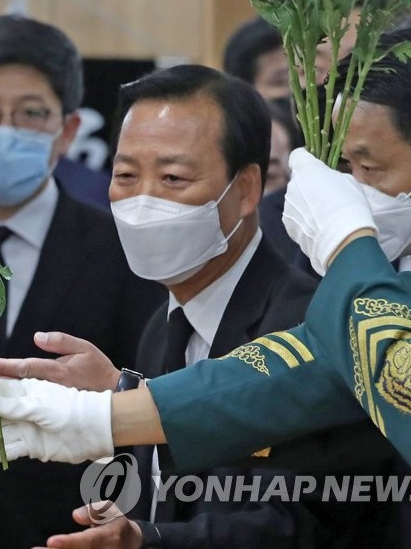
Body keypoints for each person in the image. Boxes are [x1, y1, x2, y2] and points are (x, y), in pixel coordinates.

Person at [0, 22, 411, 546]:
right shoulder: (168, 321)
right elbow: (281, 374)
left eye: (369, 168)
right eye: (346, 169)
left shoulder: (325, 293)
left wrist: (349, 242)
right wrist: (105, 411)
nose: (353, 191)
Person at [0, 14, 164, 547]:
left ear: (67, 130)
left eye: (30, 113)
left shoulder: (122, 248)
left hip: (66, 524)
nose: (5, 128)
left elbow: (147, 392)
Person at [95, 65, 318, 547]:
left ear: (245, 190)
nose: (144, 201)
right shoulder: (164, 325)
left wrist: (146, 540)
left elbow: (297, 523)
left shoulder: (303, 326)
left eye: (173, 177)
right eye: (126, 175)